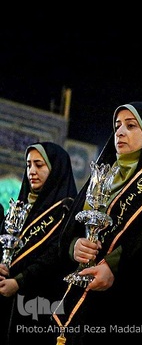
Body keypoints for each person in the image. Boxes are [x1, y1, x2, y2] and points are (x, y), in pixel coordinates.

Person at [53, 101, 142, 344]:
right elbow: (69, 230)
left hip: (126, 305)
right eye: (117, 125)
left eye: (131, 126)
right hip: (76, 301)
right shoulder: (102, 176)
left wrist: (115, 265)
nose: (120, 132)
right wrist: (74, 245)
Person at [0, 142, 77, 344]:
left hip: (39, 305)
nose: (32, 171)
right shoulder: (19, 207)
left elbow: (55, 255)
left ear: (55, 168)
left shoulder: (65, 210)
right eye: (28, 165)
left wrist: (19, 281)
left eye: (39, 165)